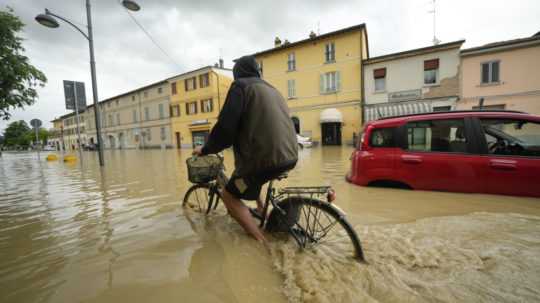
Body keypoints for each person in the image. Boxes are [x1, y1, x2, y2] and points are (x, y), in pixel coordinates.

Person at [193, 55, 298, 244]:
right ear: (257, 71)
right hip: (290, 154)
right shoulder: (272, 89)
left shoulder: (240, 87)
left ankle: (261, 240)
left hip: (266, 158)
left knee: (229, 194)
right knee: (250, 176)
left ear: (237, 73)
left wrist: (206, 149)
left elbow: (225, 127)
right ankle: (261, 209)